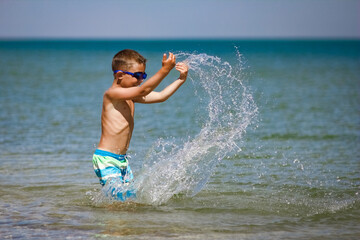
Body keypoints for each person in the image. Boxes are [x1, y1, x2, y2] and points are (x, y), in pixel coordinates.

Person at [92, 49, 188, 193]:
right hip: (106, 159)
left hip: (122, 160)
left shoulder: (131, 96)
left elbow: (161, 96)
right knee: (118, 199)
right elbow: (143, 90)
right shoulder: (112, 94)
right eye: (138, 76)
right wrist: (164, 70)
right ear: (119, 75)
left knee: (130, 198)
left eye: (144, 75)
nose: (141, 80)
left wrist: (181, 79)